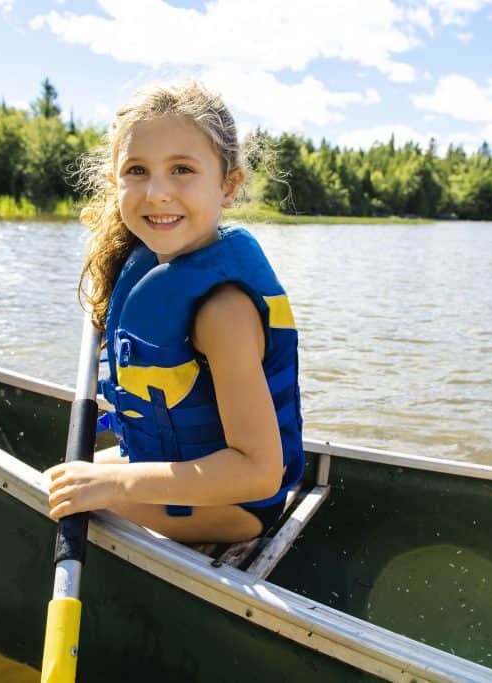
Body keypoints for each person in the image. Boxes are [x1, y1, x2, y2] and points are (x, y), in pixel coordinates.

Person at [45, 82, 304, 544]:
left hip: (237, 505)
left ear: (228, 185)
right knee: (58, 478)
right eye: (137, 170)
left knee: (56, 495)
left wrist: (116, 484)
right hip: (187, 475)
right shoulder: (151, 271)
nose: (157, 192)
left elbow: (261, 473)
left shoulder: (223, 312)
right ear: (114, 183)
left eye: (182, 169)